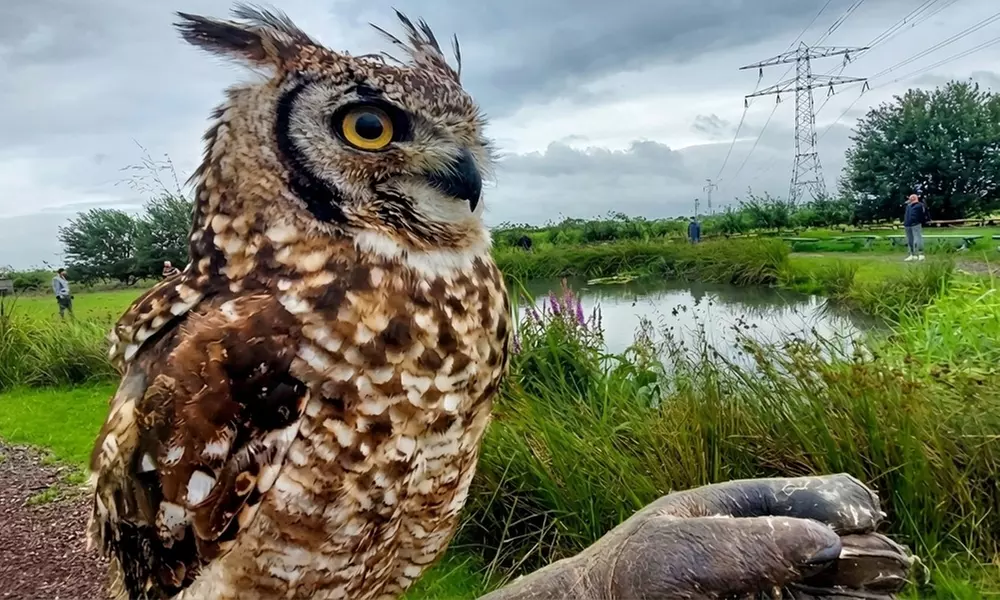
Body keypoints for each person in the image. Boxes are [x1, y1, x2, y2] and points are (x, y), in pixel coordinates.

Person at [903, 193, 930, 261]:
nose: (911, 199)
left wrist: (922, 221)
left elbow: (924, 215)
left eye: (912, 198)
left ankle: (921, 254)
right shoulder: (908, 206)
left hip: (916, 224)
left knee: (918, 239)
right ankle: (912, 254)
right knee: (910, 240)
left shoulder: (920, 205)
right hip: (907, 224)